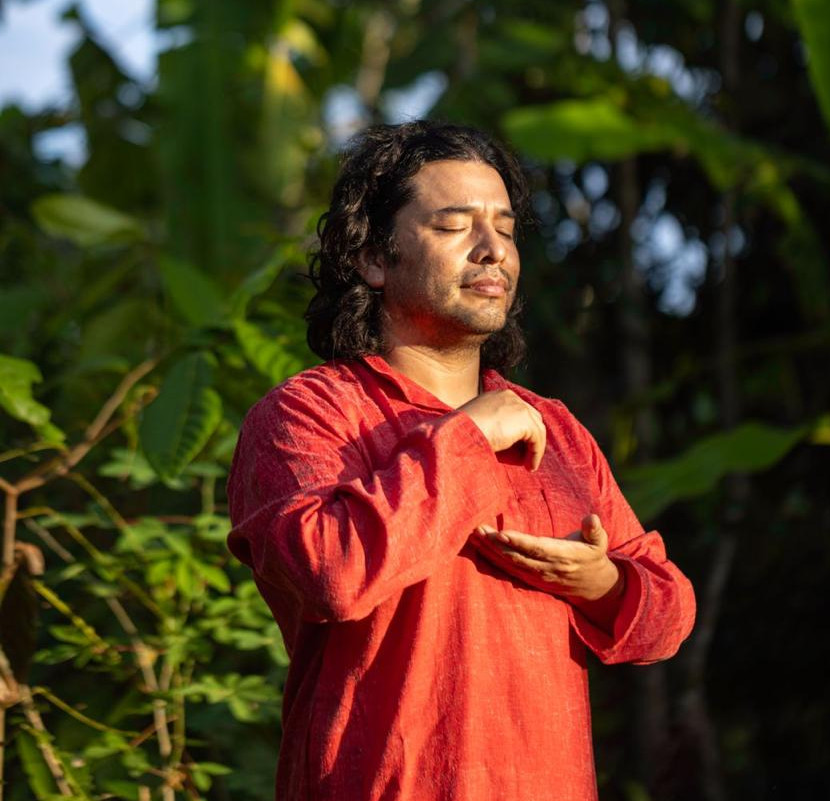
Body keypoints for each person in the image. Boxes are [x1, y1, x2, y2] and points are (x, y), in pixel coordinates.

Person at [226, 120, 696, 801]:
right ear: (373, 259)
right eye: (453, 225)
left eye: (504, 228)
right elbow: (331, 575)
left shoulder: (556, 431)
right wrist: (469, 435)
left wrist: (601, 583)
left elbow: (667, 615)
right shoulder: (306, 414)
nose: (492, 250)